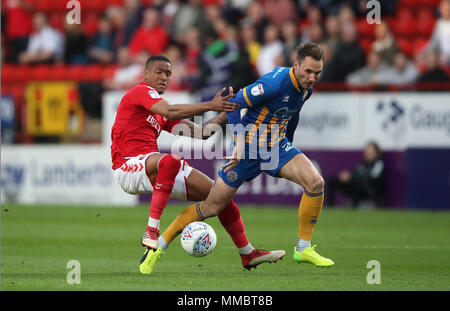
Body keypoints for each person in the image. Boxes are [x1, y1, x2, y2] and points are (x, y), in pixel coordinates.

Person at [158, 43, 335, 268]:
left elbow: (293, 113)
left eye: (317, 73)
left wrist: (289, 142)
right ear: (296, 64)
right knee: (212, 207)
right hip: (248, 149)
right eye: (308, 71)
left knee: (315, 182)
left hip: (276, 147)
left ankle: (303, 249)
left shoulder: (306, 89)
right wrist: (239, 143)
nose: (312, 78)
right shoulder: (273, 83)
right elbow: (232, 105)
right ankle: (160, 245)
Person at [110, 55, 285, 274]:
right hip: (127, 166)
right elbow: (170, 110)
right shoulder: (140, 93)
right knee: (171, 161)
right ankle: (151, 230)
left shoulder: (160, 115)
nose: (164, 77)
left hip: (152, 166)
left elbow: (202, 133)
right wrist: (210, 104)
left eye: (168, 73)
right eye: (159, 72)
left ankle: (247, 253)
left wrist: (223, 113)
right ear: (146, 73)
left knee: (220, 196)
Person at [327, 141, 386, 208]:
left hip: (369, 192)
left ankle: (354, 203)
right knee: (333, 180)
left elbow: (372, 178)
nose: (368, 154)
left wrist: (353, 177)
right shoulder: (363, 163)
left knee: (359, 183)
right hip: (357, 187)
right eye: (367, 152)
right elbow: (355, 173)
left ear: (377, 153)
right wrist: (348, 176)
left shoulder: (379, 164)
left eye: (371, 152)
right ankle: (330, 207)